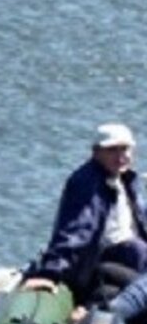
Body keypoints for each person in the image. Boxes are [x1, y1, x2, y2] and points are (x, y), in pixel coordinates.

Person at [21, 123, 147, 303]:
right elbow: (75, 232)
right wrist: (50, 272)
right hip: (102, 263)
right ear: (96, 152)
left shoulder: (124, 179)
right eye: (112, 150)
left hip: (130, 257)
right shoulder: (88, 185)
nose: (121, 157)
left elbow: (139, 219)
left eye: (125, 149)